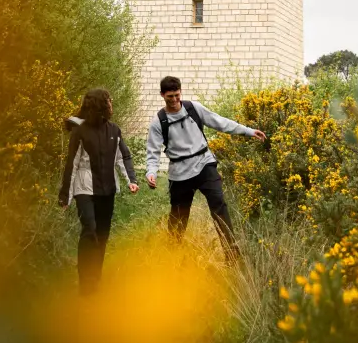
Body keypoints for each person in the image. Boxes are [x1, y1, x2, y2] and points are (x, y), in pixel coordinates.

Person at [145, 76, 266, 259]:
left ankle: (232, 256)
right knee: (178, 219)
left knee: (219, 205)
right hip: (179, 173)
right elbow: (152, 151)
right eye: (170, 96)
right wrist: (151, 172)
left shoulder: (194, 108)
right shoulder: (158, 122)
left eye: (177, 95)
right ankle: (171, 260)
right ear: (162, 95)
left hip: (204, 164)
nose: (174, 100)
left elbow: (220, 122)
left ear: (181, 92)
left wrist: (248, 131)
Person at [58, 88, 138, 294]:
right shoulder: (80, 131)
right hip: (84, 189)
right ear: (101, 105)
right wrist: (65, 195)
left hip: (108, 189)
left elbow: (123, 157)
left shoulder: (114, 130)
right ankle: (86, 282)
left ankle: (95, 280)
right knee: (90, 230)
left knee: (102, 235)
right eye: (109, 101)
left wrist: (131, 180)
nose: (112, 105)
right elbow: (72, 164)